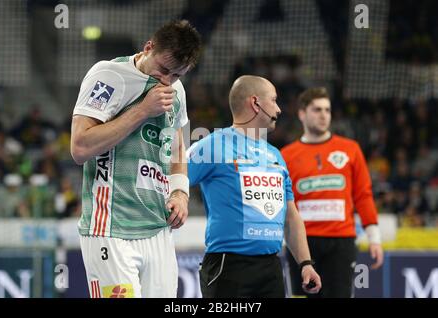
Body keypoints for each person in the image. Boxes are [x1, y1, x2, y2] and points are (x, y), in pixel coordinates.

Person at [70, 20, 202, 298]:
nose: (167, 81)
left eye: (177, 75)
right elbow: (80, 148)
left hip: (157, 229)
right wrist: (143, 110)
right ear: (148, 48)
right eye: (164, 70)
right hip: (110, 227)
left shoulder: (177, 91)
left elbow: (178, 147)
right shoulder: (108, 75)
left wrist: (180, 192)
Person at [187, 75, 321, 298]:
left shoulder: (275, 154)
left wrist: (305, 263)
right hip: (228, 266)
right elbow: (173, 179)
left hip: (271, 267)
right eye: (274, 100)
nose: (278, 109)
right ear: (255, 103)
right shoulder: (211, 145)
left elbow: (291, 215)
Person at [280, 87, 384, 298]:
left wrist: (374, 238)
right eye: (317, 109)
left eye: (327, 110)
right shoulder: (286, 155)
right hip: (302, 244)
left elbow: (363, 195)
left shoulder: (350, 149)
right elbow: (282, 203)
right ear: (302, 113)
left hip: (341, 241)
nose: (323, 115)